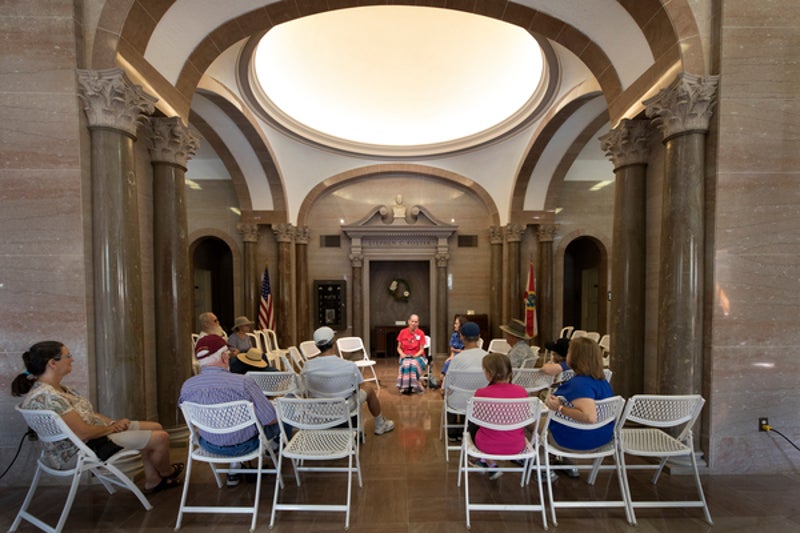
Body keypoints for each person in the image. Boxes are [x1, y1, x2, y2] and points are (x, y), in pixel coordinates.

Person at [11, 341, 181, 495]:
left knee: (155, 426)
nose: (72, 360)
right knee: (161, 438)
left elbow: (89, 415)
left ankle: (153, 479)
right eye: (68, 356)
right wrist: (113, 428)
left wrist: (113, 423)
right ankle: (166, 472)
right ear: (52, 363)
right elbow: (84, 433)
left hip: (97, 435)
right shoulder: (49, 397)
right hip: (87, 447)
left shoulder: (58, 389)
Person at [179, 334, 284, 487]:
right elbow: (270, 418)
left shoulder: (187, 387)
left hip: (209, 445)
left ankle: (235, 468)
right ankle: (274, 451)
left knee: (233, 424)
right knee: (277, 418)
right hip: (247, 445)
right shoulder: (242, 383)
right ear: (223, 357)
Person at [303, 327, 395, 435]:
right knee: (369, 388)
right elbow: (360, 386)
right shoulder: (349, 366)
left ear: (316, 346)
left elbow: (304, 387)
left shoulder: (307, 366)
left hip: (318, 407)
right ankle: (380, 424)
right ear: (334, 343)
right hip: (344, 406)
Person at [544, 336, 614, 476]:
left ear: (575, 357)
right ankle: (565, 464)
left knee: (530, 422)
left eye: (569, 352)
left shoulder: (580, 384)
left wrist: (559, 408)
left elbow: (589, 417)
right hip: (602, 438)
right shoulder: (601, 381)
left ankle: (543, 467)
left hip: (577, 441)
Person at [468, 353, 528, 480]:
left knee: (472, 424)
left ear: (489, 374)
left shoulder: (481, 393)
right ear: (510, 372)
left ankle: (488, 462)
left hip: (487, 445)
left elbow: (477, 421)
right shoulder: (521, 391)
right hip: (517, 444)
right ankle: (484, 461)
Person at [442, 321, 488, 440]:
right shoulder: (487, 357)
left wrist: (443, 391)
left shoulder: (457, 360)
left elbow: (446, 385)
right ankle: (467, 429)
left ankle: (452, 433)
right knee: (469, 394)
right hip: (479, 403)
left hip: (458, 403)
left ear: (461, 337)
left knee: (451, 395)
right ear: (479, 337)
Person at [396, 313, 427, 394]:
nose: (414, 323)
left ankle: (415, 386)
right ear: (409, 322)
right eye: (412, 321)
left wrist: (414, 356)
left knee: (413, 364)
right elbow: (398, 348)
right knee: (406, 363)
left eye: (416, 322)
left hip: (418, 356)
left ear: (418, 323)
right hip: (405, 356)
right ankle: (405, 386)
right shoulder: (402, 332)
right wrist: (402, 353)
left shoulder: (421, 333)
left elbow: (421, 350)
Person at [440, 314, 466, 378]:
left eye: (456, 324)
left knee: (451, 363)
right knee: (447, 362)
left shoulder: (466, 337)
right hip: (455, 354)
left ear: (461, 325)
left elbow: (466, 351)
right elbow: (451, 348)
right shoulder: (454, 335)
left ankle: (445, 378)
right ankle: (443, 378)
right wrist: (452, 355)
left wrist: (456, 350)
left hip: (463, 356)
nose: (454, 326)